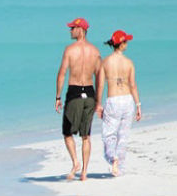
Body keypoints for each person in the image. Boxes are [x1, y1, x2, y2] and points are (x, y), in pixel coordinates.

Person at [55, 18, 101, 181]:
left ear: (80, 29)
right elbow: (99, 77)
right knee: (86, 135)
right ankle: (84, 172)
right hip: (89, 93)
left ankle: (76, 162)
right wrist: (99, 101)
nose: (70, 31)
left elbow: (62, 74)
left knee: (67, 132)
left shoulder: (70, 50)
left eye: (73, 28)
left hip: (74, 92)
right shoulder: (95, 51)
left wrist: (58, 96)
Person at [97, 30, 142, 177]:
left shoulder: (105, 62)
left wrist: (98, 103)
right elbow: (133, 85)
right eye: (126, 41)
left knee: (108, 135)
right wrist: (138, 105)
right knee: (123, 136)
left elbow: (101, 85)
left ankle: (113, 158)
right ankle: (119, 168)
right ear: (121, 44)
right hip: (128, 100)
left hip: (113, 100)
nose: (127, 43)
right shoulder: (129, 63)